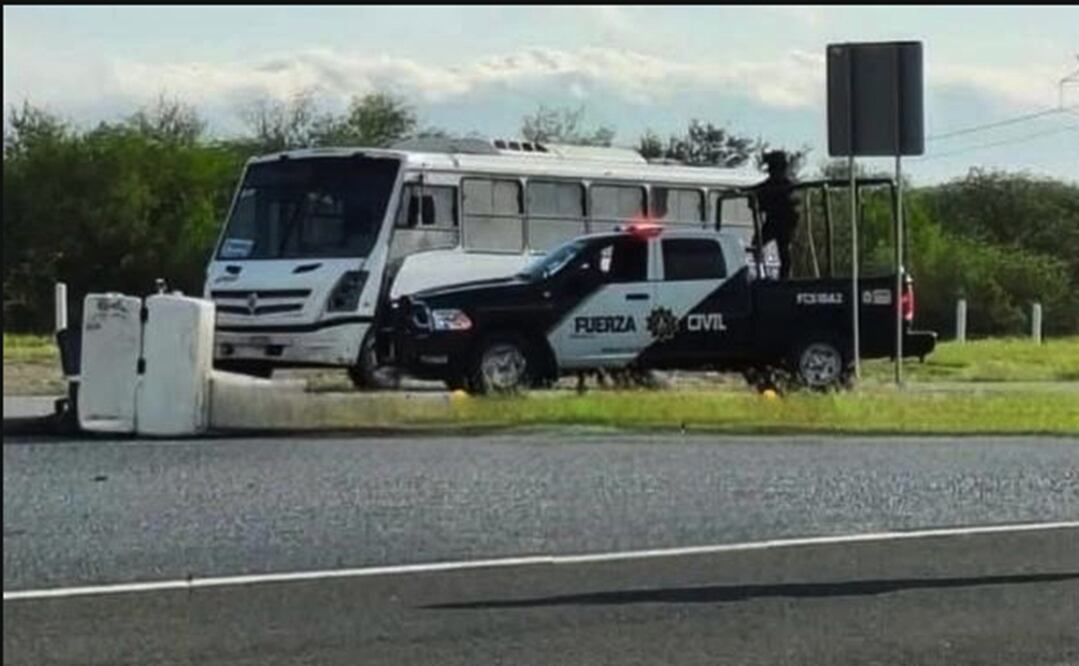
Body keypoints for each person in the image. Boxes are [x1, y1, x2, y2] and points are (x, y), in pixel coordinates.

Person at [751, 151, 799, 279]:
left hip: (785, 221)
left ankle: (784, 278)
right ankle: (761, 273)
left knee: (784, 251)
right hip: (773, 220)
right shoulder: (771, 185)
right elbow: (761, 194)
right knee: (756, 244)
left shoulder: (787, 185)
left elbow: (794, 200)